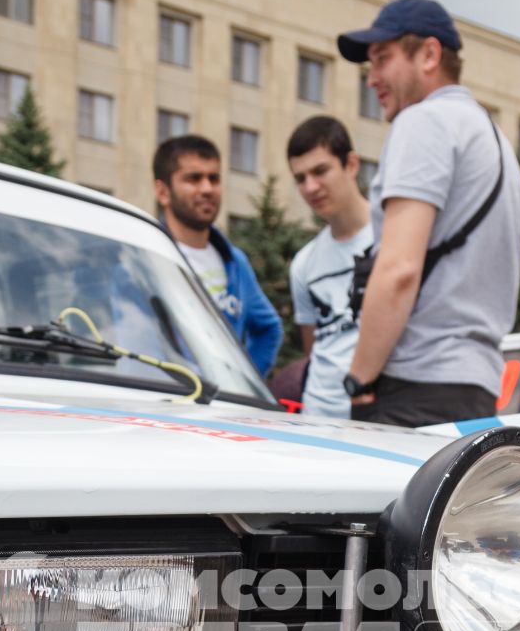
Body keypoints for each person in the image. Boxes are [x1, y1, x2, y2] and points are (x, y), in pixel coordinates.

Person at [336, 0, 520, 426]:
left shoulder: (424, 121)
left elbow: (399, 270)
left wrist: (359, 383)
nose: (372, 79)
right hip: (471, 390)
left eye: (382, 59)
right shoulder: (490, 137)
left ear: (429, 55)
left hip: (414, 386)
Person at [152, 135, 282, 375]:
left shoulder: (235, 262)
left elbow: (269, 329)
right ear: (163, 192)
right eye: (193, 178)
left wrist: (246, 384)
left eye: (214, 178)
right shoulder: (146, 259)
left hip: (223, 409)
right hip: (164, 407)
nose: (207, 189)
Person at [284, 117, 375, 419]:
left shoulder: (393, 238)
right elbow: (315, 349)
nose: (311, 187)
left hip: (380, 413)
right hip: (317, 415)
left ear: (351, 164)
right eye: (300, 178)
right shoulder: (304, 263)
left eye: (320, 171)